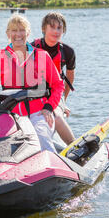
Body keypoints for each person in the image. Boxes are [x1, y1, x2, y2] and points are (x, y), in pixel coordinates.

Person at [0, 14, 64, 152]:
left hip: (38, 114)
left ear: (28, 33)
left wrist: (48, 107)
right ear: (8, 33)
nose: (18, 34)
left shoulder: (42, 55)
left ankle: (52, 165)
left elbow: (58, 85)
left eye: (22, 30)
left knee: (42, 141)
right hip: (11, 116)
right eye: (14, 30)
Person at [31, 12, 76, 145]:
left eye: (59, 28)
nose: (56, 31)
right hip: (35, 94)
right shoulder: (32, 48)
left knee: (55, 114)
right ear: (44, 28)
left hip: (55, 94)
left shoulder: (68, 52)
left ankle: (74, 147)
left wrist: (63, 102)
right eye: (52, 27)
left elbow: (70, 77)